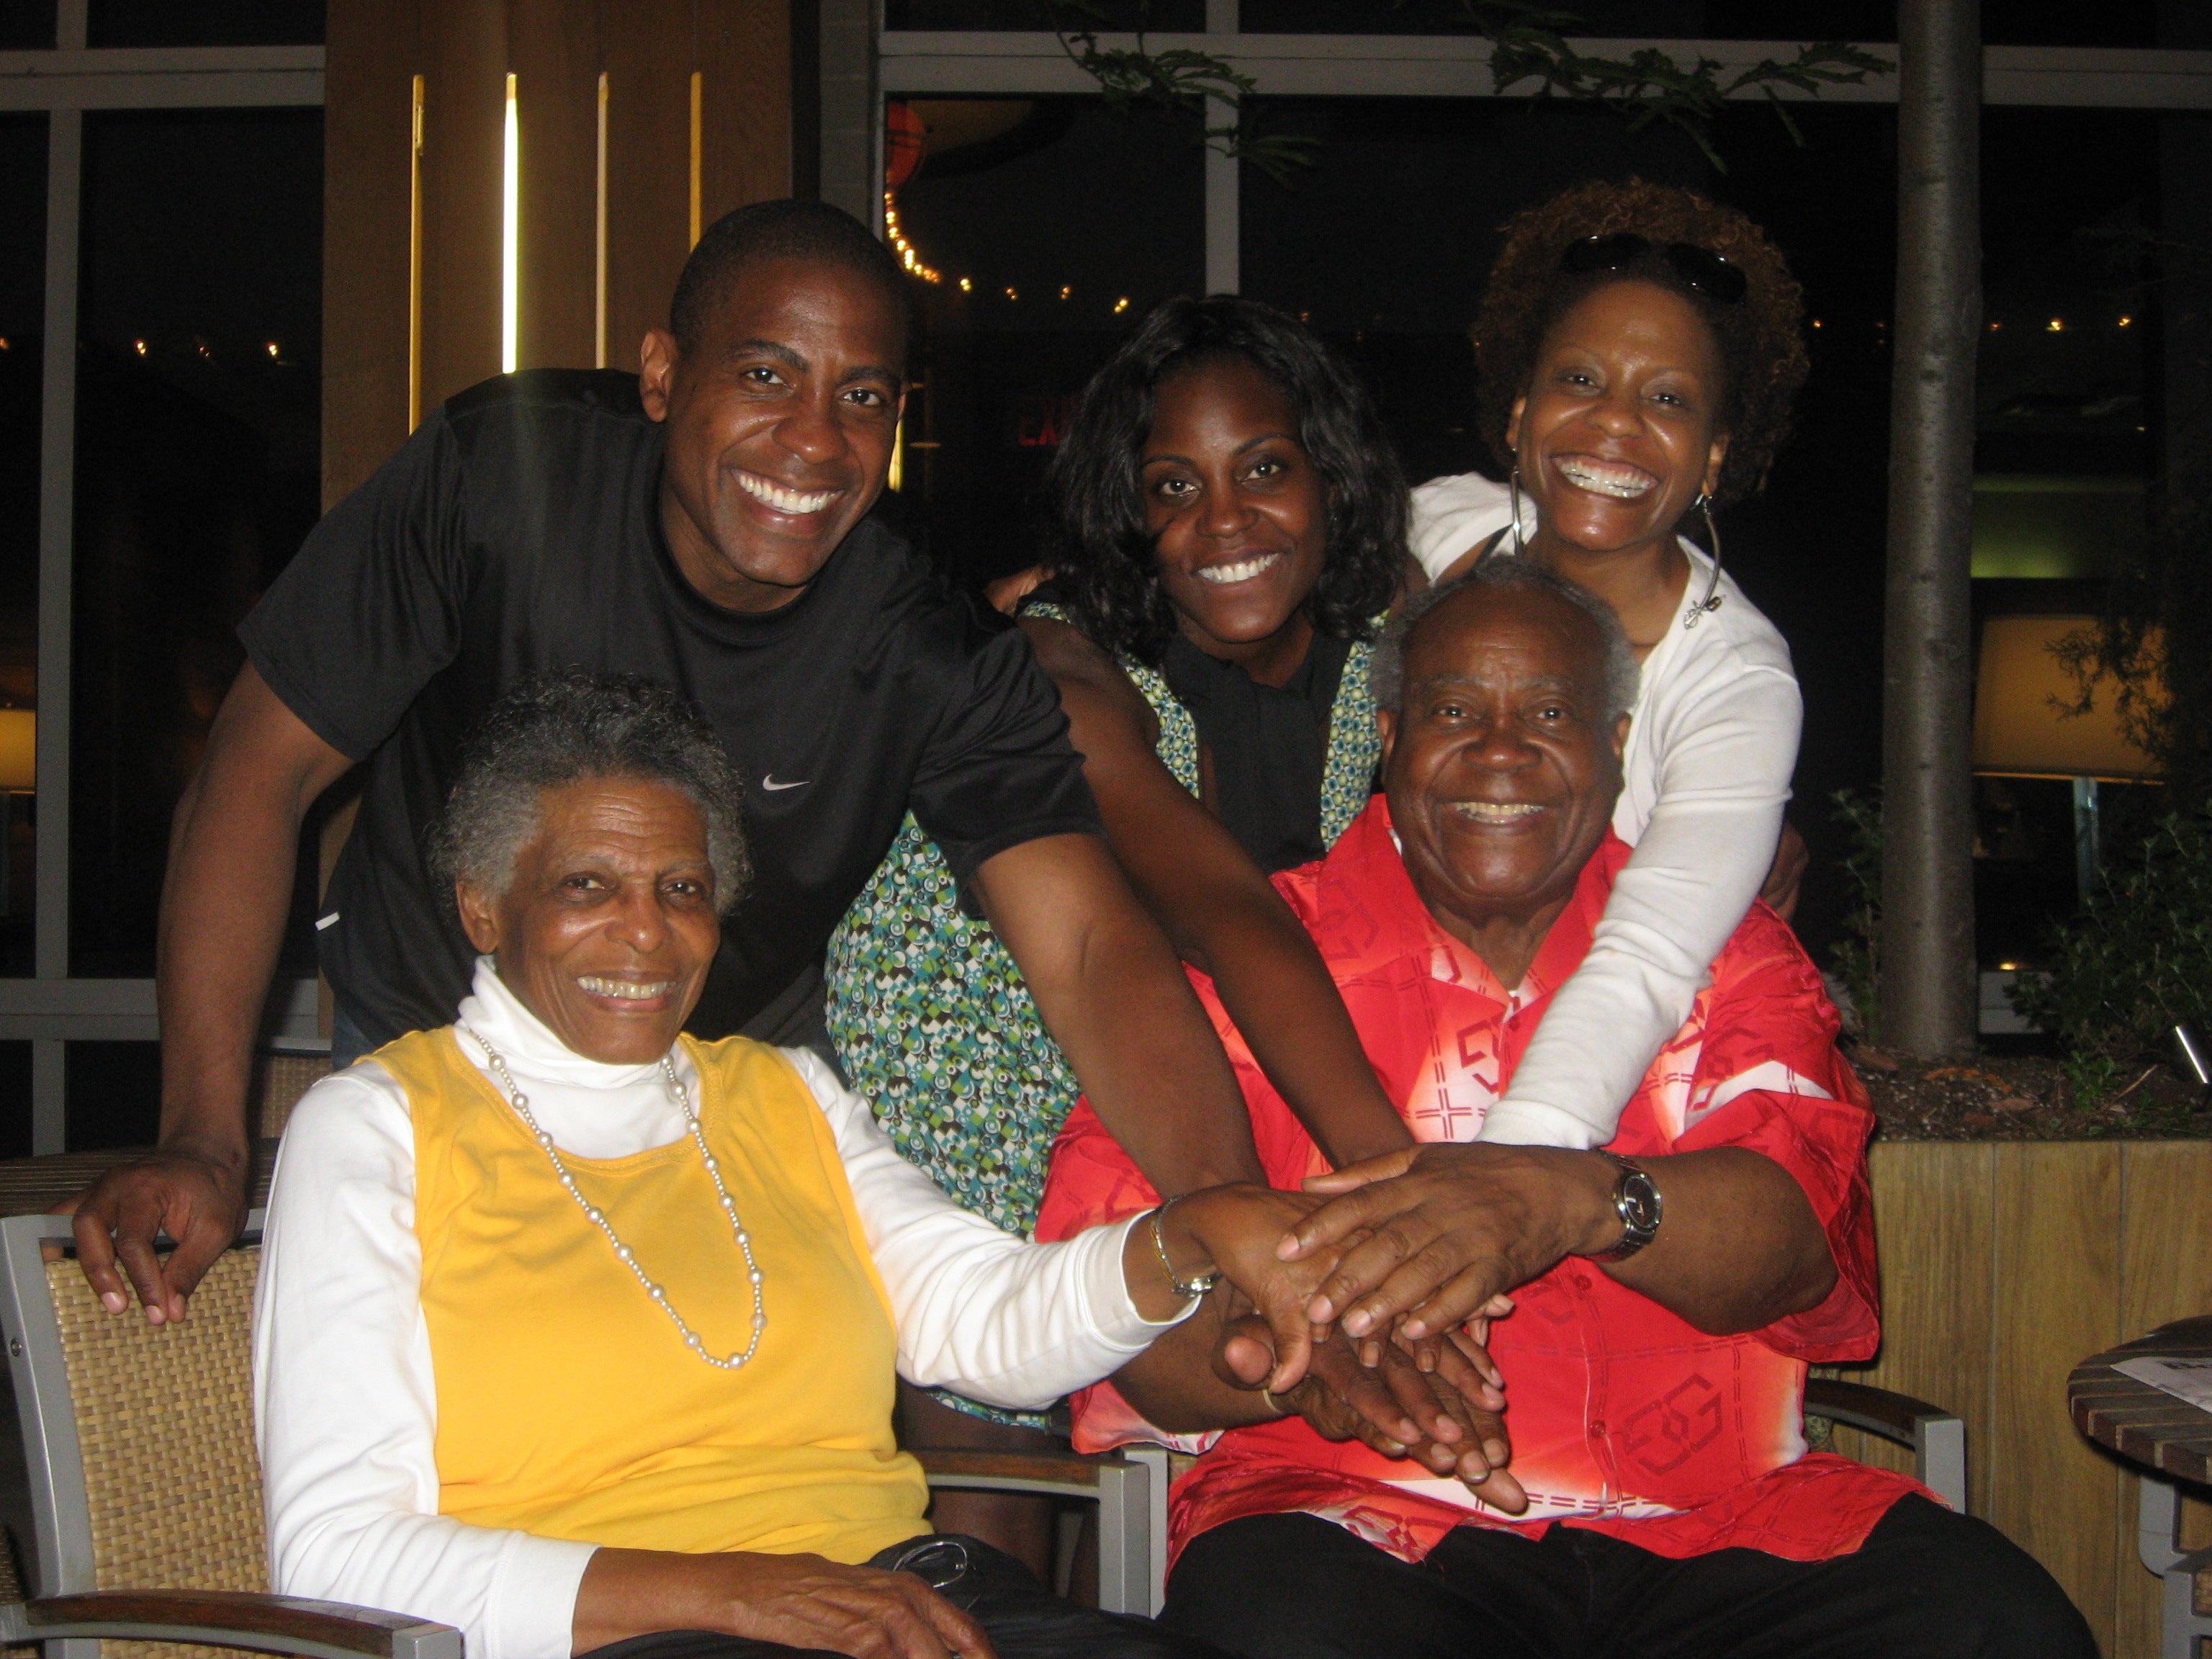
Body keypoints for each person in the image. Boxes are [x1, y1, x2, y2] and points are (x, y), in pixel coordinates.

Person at [71, 199, 1272, 1327]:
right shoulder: (502, 484)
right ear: (661, 376)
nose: (814, 440)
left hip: (719, 1069)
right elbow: (254, 771)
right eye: (765, 376)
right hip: (438, 1020)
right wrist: (203, 1139)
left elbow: (1087, 945)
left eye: (861, 396)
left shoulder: (924, 650)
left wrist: (1229, 1214)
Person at [1037, 564, 2095, 1659]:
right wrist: (1295, 1363)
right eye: (1455, 712)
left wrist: (1571, 1201)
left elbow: (1797, 1249)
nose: (1501, 751)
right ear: (1390, 737)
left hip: (1724, 1525)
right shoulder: (1237, 964)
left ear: (1617, 745)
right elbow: (1113, 1310)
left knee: (1996, 1629)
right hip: (1353, 1522)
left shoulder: (1732, 954)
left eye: (1550, 714)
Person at [252, 672, 1408, 1659]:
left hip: (897, 1603)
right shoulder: (379, 1128)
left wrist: (1183, 1238)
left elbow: (976, 1321)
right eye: (587, 886)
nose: (647, 931)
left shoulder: (782, 1094)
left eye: (682, 888)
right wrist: (738, 1595)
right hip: (621, 1634)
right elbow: (340, 1555)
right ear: (482, 908)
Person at [825, 298, 1417, 1563]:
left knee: (1191, 1434)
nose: (1226, 521)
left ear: (1331, 476)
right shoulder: (1063, 657)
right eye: (1173, 487)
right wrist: (1398, 1191)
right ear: (1130, 516)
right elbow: (1221, 905)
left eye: (1266, 469)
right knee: (1005, 1460)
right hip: (983, 1048)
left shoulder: (1381, 646)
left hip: (1183, 1053)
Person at [1406, 179, 1811, 1154]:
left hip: (1621, 1094)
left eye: (1666, 399)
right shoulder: (1432, 532)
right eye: (1580, 381)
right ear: (1520, 414)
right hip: (1399, 1038)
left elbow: (1649, 957)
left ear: (1713, 457)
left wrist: (1511, 1166)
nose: (1615, 423)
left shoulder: (1734, 683)